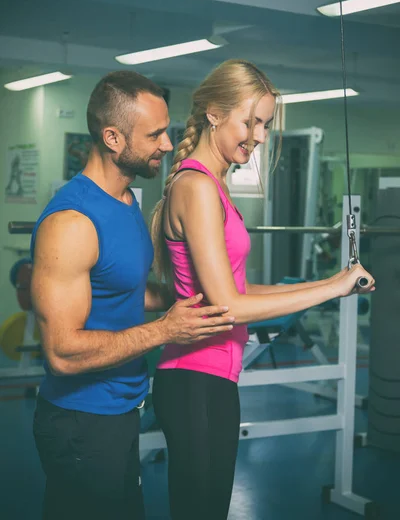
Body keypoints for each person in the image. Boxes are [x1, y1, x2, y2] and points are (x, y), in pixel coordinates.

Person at [149, 59, 375, 520]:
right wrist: (330, 291)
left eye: (266, 124)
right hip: (194, 378)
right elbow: (228, 304)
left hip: (215, 379)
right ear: (214, 112)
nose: (259, 136)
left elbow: (237, 285)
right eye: (250, 121)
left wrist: (332, 282)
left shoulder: (214, 185)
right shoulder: (195, 186)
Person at [30, 71, 235, 520]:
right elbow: (62, 352)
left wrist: (197, 293)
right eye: (155, 134)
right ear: (112, 138)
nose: (167, 144)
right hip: (80, 421)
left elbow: (124, 289)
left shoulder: (126, 203)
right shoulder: (71, 222)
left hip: (122, 411)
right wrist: (166, 330)